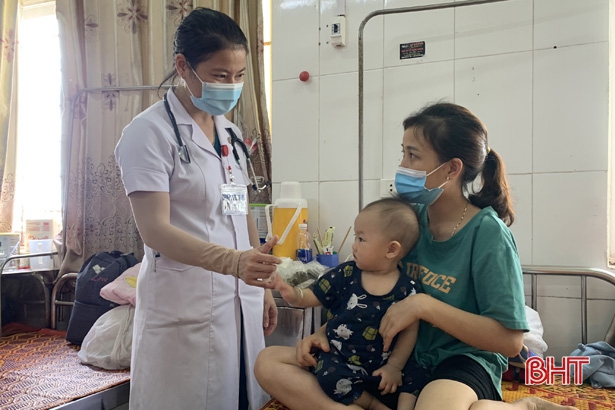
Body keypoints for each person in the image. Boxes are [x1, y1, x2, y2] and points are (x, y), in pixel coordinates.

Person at [255, 102, 578, 410]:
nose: (402, 166)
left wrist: (424, 306)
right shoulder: (407, 221)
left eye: (413, 155)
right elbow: (361, 289)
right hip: (387, 357)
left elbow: (509, 342)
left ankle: (524, 405)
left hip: (457, 361)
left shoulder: (488, 234)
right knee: (268, 363)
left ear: (451, 168)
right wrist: (322, 334)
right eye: (403, 153)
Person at [114, 8, 280, 410]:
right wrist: (233, 263)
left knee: (241, 397)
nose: (231, 86)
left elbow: (239, 209)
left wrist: (259, 282)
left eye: (239, 75)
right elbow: (155, 230)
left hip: (238, 301)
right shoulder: (148, 133)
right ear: (183, 66)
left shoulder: (231, 135)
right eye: (220, 75)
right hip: (183, 306)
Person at [272, 197, 427, 410]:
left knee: (418, 376)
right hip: (343, 360)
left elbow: (409, 332)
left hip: (385, 368)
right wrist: (293, 294)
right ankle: (372, 406)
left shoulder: (408, 289)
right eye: (355, 237)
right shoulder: (346, 273)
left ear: (391, 250)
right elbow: (315, 295)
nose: (354, 245)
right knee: (328, 374)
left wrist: (394, 366)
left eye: (361, 239)